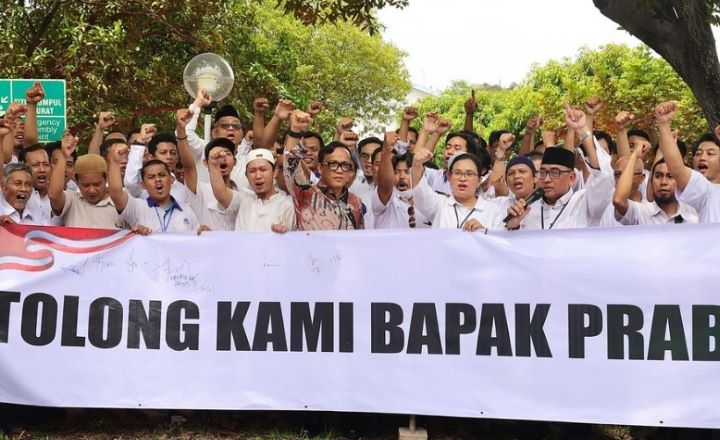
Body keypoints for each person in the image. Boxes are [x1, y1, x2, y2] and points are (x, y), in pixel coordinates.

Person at [506, 105, 614, 230]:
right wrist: (513, 227)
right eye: (542, 173)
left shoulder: (584, 203)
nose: (546, 179)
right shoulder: (528, 210)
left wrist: (582, 130)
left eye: (554, 173)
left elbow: (604, 176)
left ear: (572, 177)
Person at [283, 110, 364, 230]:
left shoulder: (356, 202)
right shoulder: (305, 193)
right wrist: (295, 129)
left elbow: (359, 241)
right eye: (333, 164)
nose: (339, 170)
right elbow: (291, 162)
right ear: (320, 168)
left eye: (345, 165)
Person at [108, 141, 206, 233]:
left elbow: (197, 241)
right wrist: (114, 161)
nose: (157, 179)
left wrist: (205, 234)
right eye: (151, 177)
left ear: (171, 179)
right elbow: (116, 192)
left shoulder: (187, 210)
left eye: (162, 175)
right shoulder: (137, 207)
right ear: (143, 185)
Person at [654, 101, 720, 223]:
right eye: (698, 153)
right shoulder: (708, 192)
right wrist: (663, 124)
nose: (702, 158)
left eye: (710, 153)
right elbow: (677, 169)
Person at [408, 149, 503, 231]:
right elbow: (420, 193)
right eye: (457, 173)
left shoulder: (493, 210)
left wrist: (483, 232)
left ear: (479, 181)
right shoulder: (439, 204)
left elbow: (499, 246)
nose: (462, 178)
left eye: (469, 174)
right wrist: (416, 165)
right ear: (449, 177)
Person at [209, 146, 295, 232]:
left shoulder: (288, 206)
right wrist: (214, 164)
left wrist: (284, 234)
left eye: (263, 170)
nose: (258, 176)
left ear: (274, 172)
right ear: (246, 176)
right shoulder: (243, 199)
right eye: (252, 171)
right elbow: (221, 193)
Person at [48, 133, 125, 229]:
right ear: (76, 181)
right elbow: (53, 195)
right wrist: (63, 156)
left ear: (105, 178)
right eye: (86, 185)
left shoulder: (121, 203)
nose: (92, 190)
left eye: (97, 184)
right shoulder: (71, 201)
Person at [612, 147, 697, 225]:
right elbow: (618, 201)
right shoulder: (641, 212)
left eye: (670, 176)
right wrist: (634, 156)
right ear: (651, 181)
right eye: (658, 176)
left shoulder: (693, 222)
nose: (663, 182)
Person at [372, 132, 431, 229]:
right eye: (396, 172)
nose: (402, 176)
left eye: (407, 171)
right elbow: (385, 183)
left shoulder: (429, 202)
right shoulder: (386, 200)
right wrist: (386, 150)